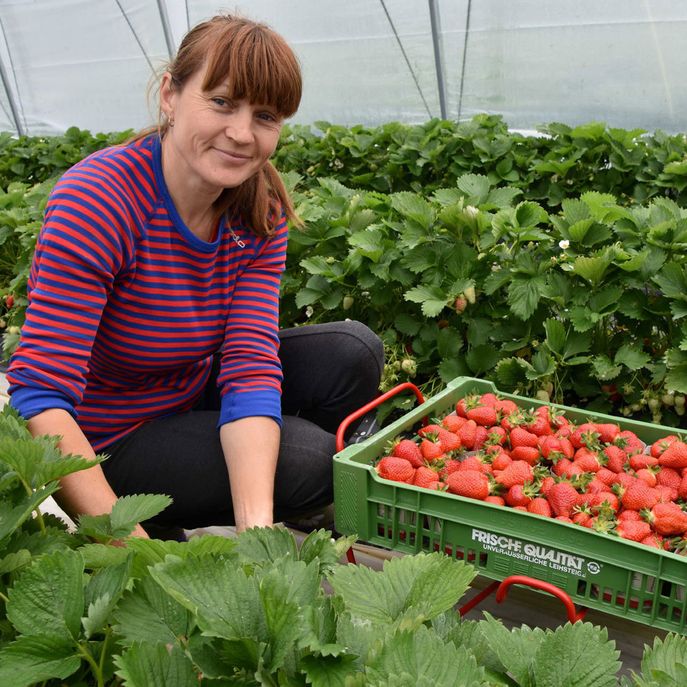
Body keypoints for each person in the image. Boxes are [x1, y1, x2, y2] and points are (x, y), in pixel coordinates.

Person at [6, 14, 383, 538]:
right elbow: (40, 397)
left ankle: (273, 509)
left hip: (186, 389)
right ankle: (165, 515)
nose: (241, 133)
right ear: (170, 94)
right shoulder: (100, 200)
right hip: (107, 436)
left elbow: (250, 366)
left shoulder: (258, 208)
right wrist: (126, 542)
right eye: (222, 102)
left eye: (265, 116)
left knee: (352, 351)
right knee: (314, 461)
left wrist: (258, 536)